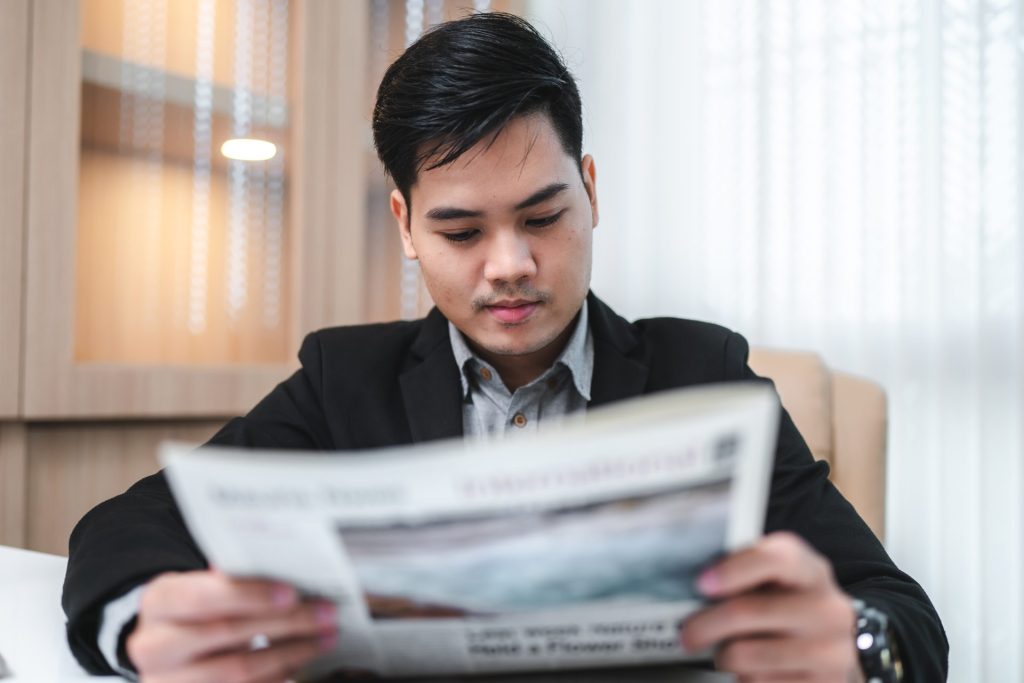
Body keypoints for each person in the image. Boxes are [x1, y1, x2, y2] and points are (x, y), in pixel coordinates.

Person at [63, 12, 947, 683]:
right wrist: (143, 623)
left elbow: (906, 617)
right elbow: (123, 527)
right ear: (407, 225)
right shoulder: (347, 381)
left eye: (543, 216)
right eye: (460, 231)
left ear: (590, 191)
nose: (511, 266)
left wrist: (858, 643)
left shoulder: (706, 377)